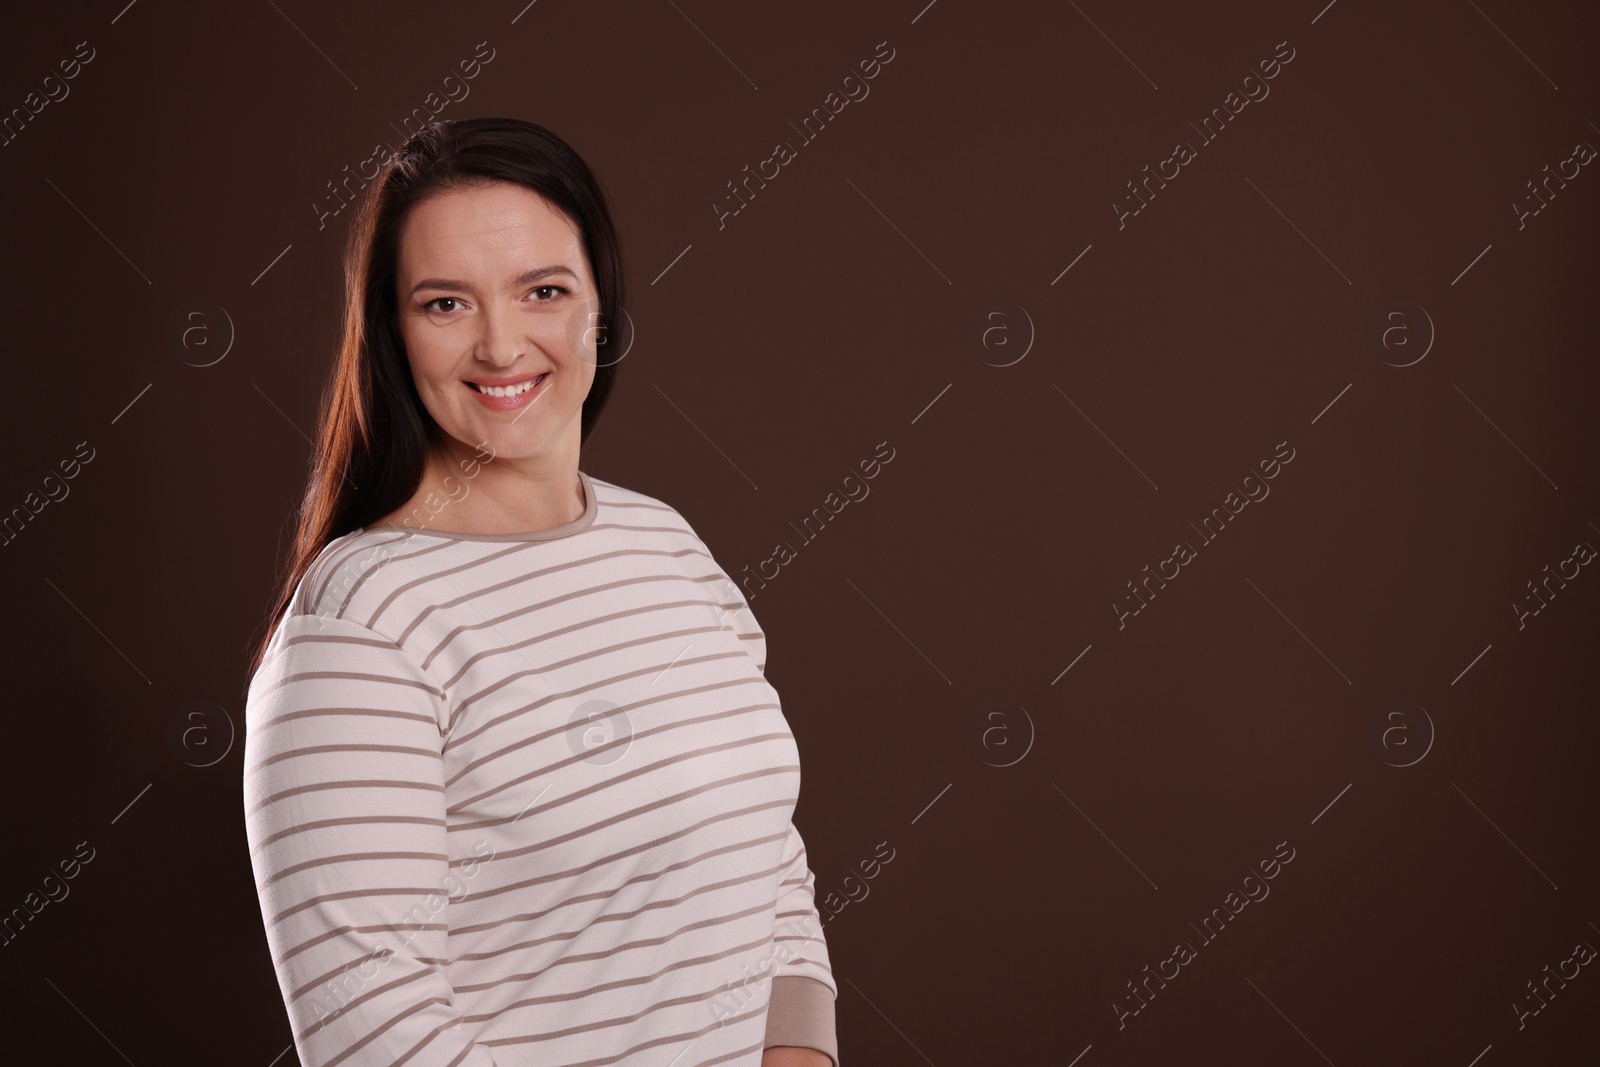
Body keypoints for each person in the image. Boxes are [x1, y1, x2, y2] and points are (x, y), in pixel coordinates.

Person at [242, 117, 839, 1067]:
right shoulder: (360, 624)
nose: (501, 344)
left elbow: (763, 855)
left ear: (599, 307)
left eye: (544, 291)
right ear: (392, 333)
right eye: (445, 303)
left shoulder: (668, 546)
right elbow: (378, 1036)